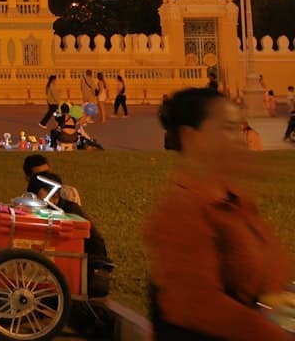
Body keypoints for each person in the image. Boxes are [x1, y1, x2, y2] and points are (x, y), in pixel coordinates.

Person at [145, 87, 293, 340]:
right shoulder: (182, 211)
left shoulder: (234, 199)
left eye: (240, 127)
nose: (241, 137)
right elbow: (198, 306)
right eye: (228, 128)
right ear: (192, 138)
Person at [25, 172, 112, 297]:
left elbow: (95, 243)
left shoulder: (70, 212)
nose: (53, 199)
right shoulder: (37, 209)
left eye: (55, 195)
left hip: (85, 264)